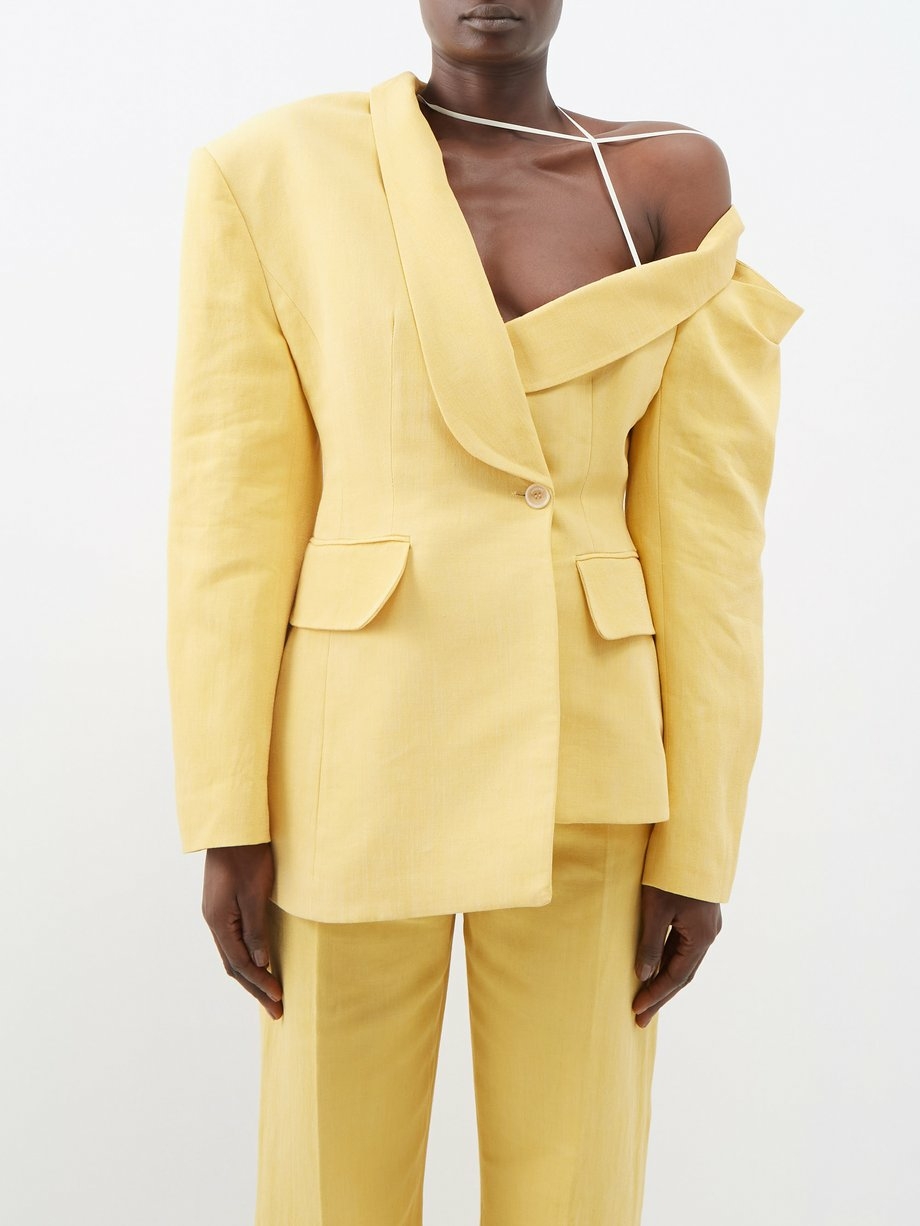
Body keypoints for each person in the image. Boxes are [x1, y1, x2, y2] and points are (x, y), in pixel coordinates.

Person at [166, 1, 803, 1222]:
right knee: (327, 1184)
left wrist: (700, 840)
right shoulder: (273, 170)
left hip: (591, 749)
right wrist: (226, 810)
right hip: (353, 745)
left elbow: (709, 537)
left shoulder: (663, 177)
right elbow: (228, 513)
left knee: (576, 1184)